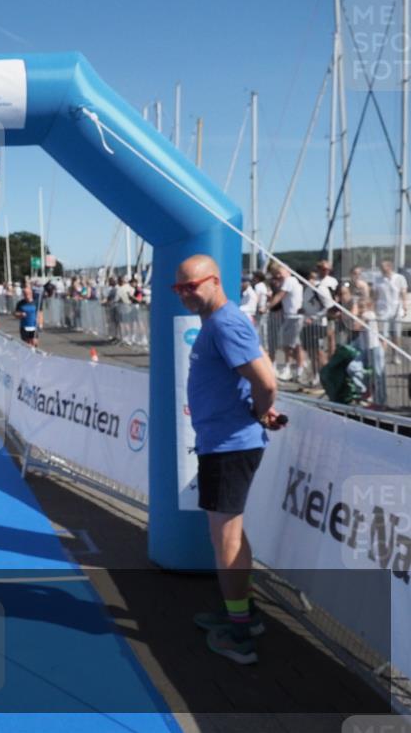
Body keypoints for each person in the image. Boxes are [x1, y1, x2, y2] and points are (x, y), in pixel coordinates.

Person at [174, 255, 285, 665]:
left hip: (229, 446)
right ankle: (244, 614)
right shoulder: (223, 321)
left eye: (192, 286)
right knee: (231, 535)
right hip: (224, 442)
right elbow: (257, 370)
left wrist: (260, 409)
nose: (185, 294)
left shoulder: (224, 322)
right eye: (179, 288)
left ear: (215, 281)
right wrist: (259, 409)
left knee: (226, 541)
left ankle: (240, 635)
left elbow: (266, 381)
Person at [266, 264, 305, 382]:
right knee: (295, 344)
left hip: (293, 317)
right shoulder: (291, 281)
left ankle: (287, 368)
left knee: (287, 345)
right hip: (291, 316)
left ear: (287, 271)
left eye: (280, 273)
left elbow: (280, 296)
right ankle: (299, 369)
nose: (278, 275)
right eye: (276, 274)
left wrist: (267, 307)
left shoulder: (289, 281)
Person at [373, 259, 408, 352]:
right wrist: (373, 308)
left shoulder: (400, 278)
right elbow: (375, 295)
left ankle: (396, 354)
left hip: (396, 309)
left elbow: (403, 293)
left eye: (383, 267)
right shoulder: (377, 279)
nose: (381, 269)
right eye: (381, 267)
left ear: (389, 267)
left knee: (396, 334)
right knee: (383, 334)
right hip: (382, 310)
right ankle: (382, 355)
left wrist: (405, 306)